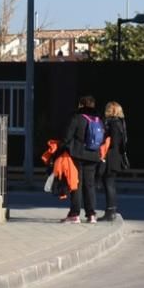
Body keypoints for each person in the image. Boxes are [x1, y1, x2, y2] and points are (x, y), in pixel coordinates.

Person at [61, 95, 102, 223]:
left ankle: (75, 214)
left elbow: (67, 136)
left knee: (76, 184)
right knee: (90, 185)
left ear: (81, 105)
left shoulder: (77, 117)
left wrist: (64, 147)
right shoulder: (98, 119)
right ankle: (91, 215)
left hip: (77, 154)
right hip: (93, 155)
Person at [101, 101, 128, 221]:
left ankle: (110, 212)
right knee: (109, 184)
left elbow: (114, 143)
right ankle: (110, 210)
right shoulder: (121, 123)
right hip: (116, 157)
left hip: (111, 157)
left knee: (109, 184)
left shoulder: (113, 124)